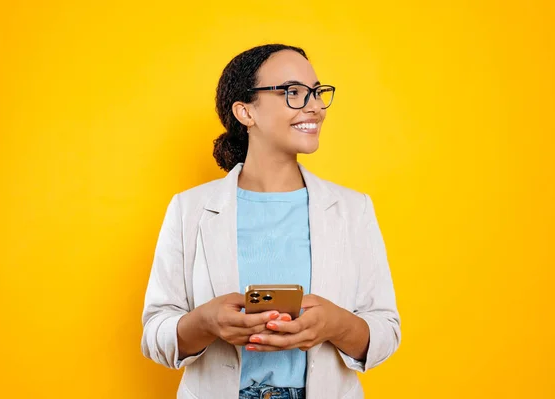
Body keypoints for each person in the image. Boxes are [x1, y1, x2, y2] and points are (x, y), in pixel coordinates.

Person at [140, 43, 401, 399]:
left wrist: (335, 325)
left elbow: (385, 332)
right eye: (293, 92)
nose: (315, 106)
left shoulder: (353, 209)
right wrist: (206, 322)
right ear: (246, 112)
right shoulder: (190, 209)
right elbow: (154, 335)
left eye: (317, 92)